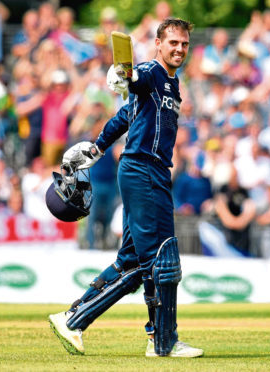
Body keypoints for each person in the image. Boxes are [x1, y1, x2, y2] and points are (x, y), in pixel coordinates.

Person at [46, 17, 203, 358]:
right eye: (173, 42)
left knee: (133, 260)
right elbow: (133, 78)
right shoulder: (151, 72)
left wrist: (98, 147)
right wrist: (124, 76)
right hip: (143, 170)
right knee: (161, 259)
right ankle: (159, 340)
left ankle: (150, 336)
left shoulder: (172, 85)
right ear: (159, 44)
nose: (179, 49)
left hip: (149, 172)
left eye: (184, 44)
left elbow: (123, 117)